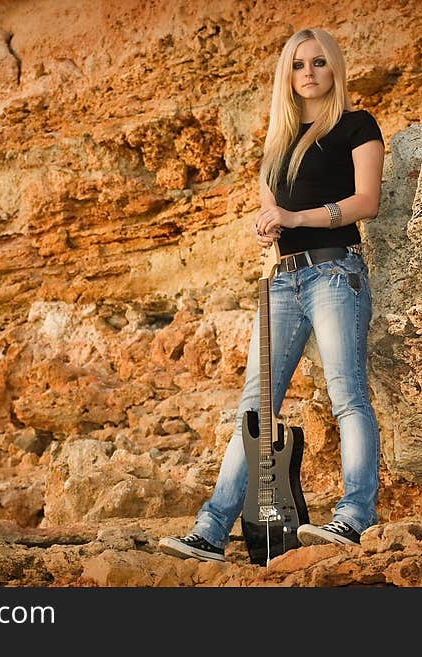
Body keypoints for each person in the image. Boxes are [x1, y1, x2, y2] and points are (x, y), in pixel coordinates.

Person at [158, 27, 385, 562]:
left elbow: (367, 201)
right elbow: (270, 212)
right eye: (299, 65)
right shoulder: (277, 144)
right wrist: (269, 228)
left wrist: (295, 217)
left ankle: (354, 519)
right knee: (254, 408)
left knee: (347, 396)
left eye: (319, 63)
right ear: (288, 75)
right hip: (281, 280)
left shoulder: (357, 126)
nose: (309, 73)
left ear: (335, 70)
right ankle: (211, 532)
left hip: (335, 274)